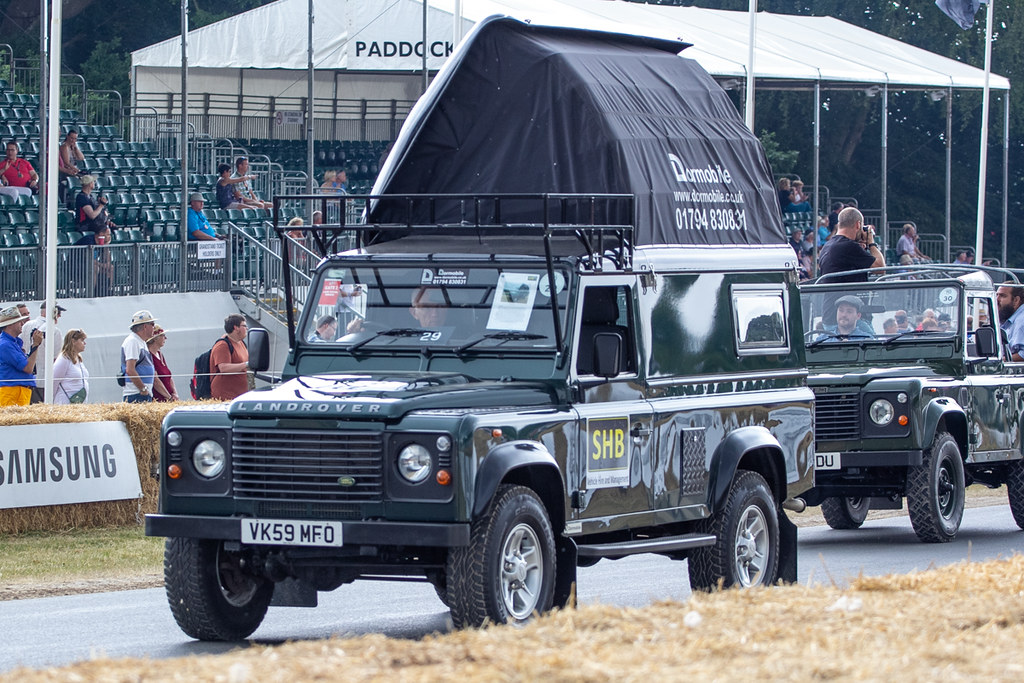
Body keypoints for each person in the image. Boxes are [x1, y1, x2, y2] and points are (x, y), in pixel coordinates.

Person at [817, 207, 884, 283]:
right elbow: (880, 268)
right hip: (848, 294)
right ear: (858, 225)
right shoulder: (849, 246)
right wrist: (871, 243)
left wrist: (862, 247)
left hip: (835, 293)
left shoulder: (828, 245)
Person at [21, 301, 66, 403]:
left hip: (27, 378)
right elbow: (56, 359)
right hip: (45, 380)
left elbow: (21, 348)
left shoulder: (26, 325)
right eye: (58, 313)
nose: (59, 316)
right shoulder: (55, 331)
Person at [0, 305, 42, 407]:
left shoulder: (11, 343)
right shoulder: (6, 345)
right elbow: (28, 368)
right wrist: (35, 345)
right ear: (10, 325)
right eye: (19, 321)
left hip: (15, 391)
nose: (22, 324)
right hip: (11, 392)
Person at [210, 314, 250, 401]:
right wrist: (246, 364)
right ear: (236, 328)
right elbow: (223, 367)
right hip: (225, 398)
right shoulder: (222, 345)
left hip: (240, 396)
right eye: (244, 325)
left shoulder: (242, 343)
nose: (247, 328)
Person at [121, 310, 157, 402]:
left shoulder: (140, 342)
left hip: (140, 393)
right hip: (136, 394)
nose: (154, 327)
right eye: (152, 324)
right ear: (145, 326)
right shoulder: (133, 341)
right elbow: (130, 369)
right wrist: (143, 389)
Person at [52, 329, 90, 405]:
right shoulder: (64, 359)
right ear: (73, 341)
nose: (84, 343)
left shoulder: (78, 359)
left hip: (78, 404)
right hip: (65, 402)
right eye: (82, 340)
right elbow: (54, 382)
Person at [75, 224, 114, 296]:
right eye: (108, 234)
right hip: (76, 265)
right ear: (101, 234)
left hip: (92, 264)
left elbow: (108, 260)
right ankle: (91, 292)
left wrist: (106, 246)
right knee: (95, 267)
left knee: (110, 268)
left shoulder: (102, 242)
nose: (109, 237)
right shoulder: (88, 240)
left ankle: (107, 290)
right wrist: (103, 265)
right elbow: (89, 259)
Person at [147, 325, 177, 402]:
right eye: (163, 335)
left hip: (168, 398)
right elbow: (155, 381)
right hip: (159, 400)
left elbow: (169, 376)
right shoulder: (149, 356)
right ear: (155, 338)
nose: (165, 338)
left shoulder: (160, 355)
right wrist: (169, 397)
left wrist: (175, 393)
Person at [996, 283, 1024, 361]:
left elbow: (1023, 355)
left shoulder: (1021, 321)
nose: (997, 299)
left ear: (1016, 300)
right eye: (996, 295)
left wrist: (999, 362)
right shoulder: (1009, 317)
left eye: (1002, 296)